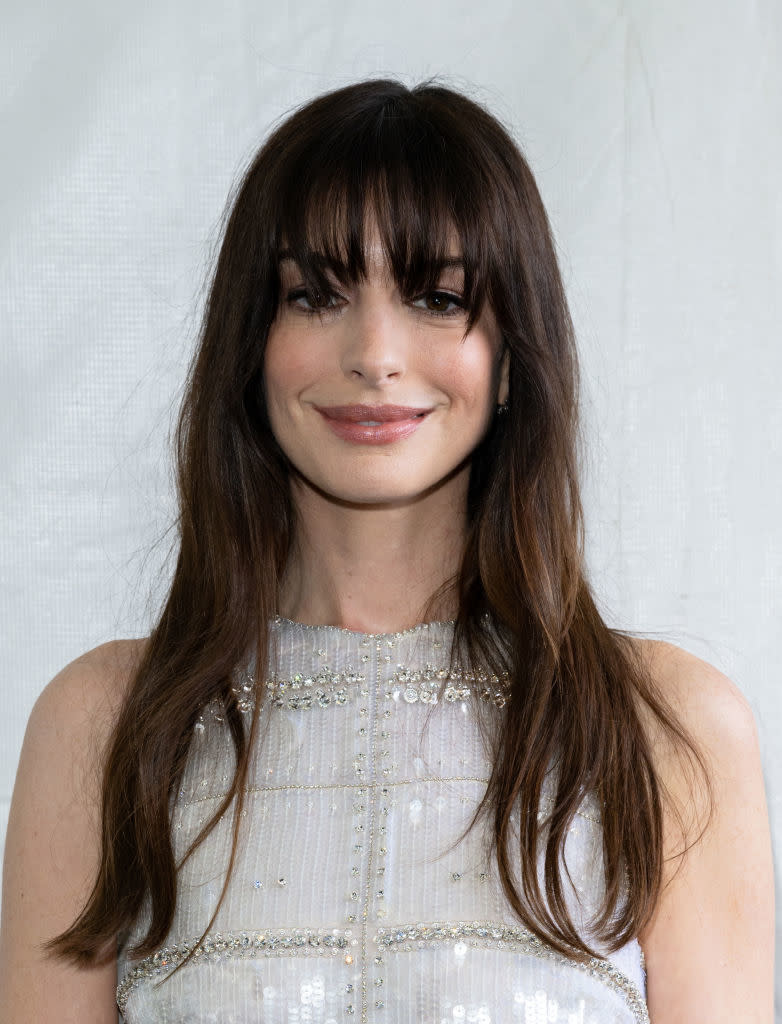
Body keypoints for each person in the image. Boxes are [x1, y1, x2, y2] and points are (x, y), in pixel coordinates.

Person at [0, 78, 773, 1024]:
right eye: (315, 294)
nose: (374, 351)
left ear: (511, 356)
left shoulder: (665, 732)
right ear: (252, 343)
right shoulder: (105, 728)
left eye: (437, 295)